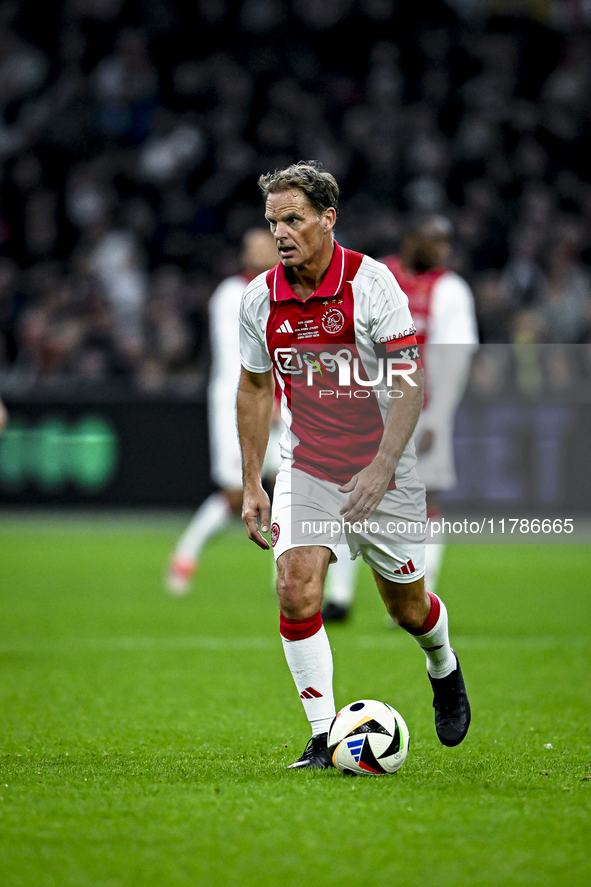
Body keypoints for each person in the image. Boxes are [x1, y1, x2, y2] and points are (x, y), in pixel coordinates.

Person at [237, 161, 470, 769]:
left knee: (407, 609)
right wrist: (251, 483)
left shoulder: (371, 285)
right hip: (308, 465)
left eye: (293, 219)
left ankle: (442, 662)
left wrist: (383, 464)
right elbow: (256, 389)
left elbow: (408, 382)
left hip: (383, 468)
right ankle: (322, 736)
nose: (280, 232)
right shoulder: (259, 299)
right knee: (295, 588)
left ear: (326, 218)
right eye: (272, 221)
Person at [321, 214, 479, 622]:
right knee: (352, 495)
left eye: (447, 241)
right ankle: (339, 597)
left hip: (422, 412)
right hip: (366, 409)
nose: (443, 249)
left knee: (426, 501)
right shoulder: (375, 276)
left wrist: (436, 420)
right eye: (434, 239)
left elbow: (456, 360)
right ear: (411, 238)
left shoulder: (451, 289)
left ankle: (419, 596)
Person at [165, 229, 280, 594]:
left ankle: (286, 572)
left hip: (280, 401)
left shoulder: (286, 291)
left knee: (297, 485)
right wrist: (264, 397)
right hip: (239, 401)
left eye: (270, 246)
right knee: (235, 493)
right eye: (257, 247)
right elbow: (237, 357)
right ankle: (186, 552)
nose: (264, 252)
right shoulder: (232, 294)